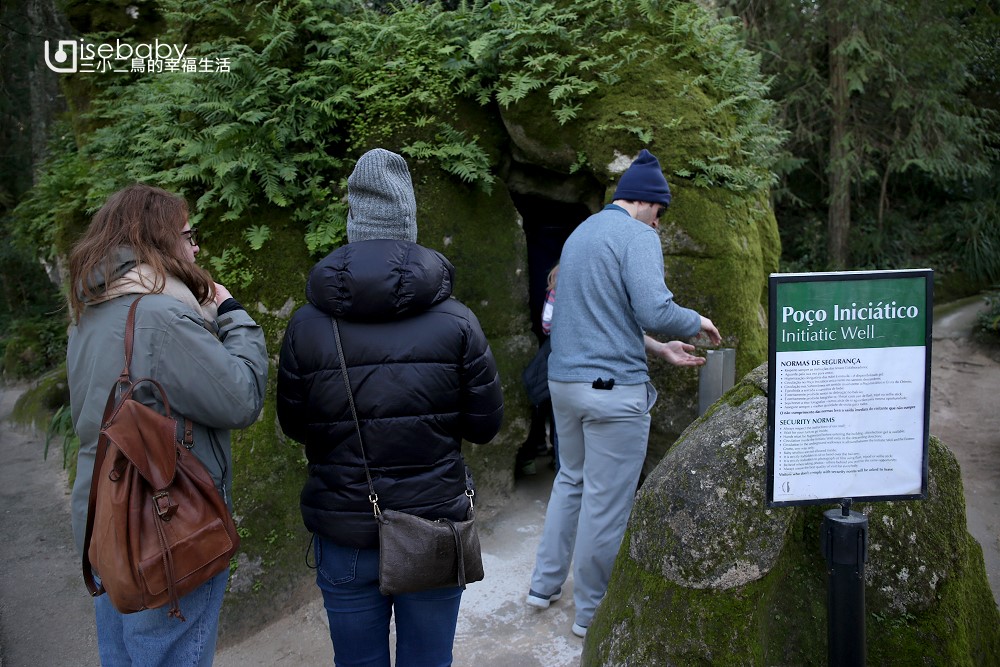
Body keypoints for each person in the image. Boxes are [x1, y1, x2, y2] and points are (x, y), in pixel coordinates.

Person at [276, 148, 504, 666]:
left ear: (354, 222)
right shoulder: (458, 321)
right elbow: (486, 426)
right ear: (409, 222)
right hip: (432, 528)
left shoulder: (307, 325)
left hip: (345, 529)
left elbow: (294, 424)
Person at [67, 183, 269, 665]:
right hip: (164, 531)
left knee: (124, 656)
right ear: (158, 241)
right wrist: (232, 315)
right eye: (187, 234)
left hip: (104, 524)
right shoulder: (161, 317)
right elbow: (241, 399)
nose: (195, 246)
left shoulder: (90, 313)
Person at [525, 149, 722, 638]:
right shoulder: (636, 236)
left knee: (571, 480)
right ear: (650, 205)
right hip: (612, 396)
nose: (658, 225)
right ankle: (593, 612)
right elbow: (655, 308)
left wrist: (660, 349)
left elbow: (596, 319)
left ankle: (543, 585)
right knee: (607, 504)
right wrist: (695, 322)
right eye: (660, 214)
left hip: (564, 387)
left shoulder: (582, 233)